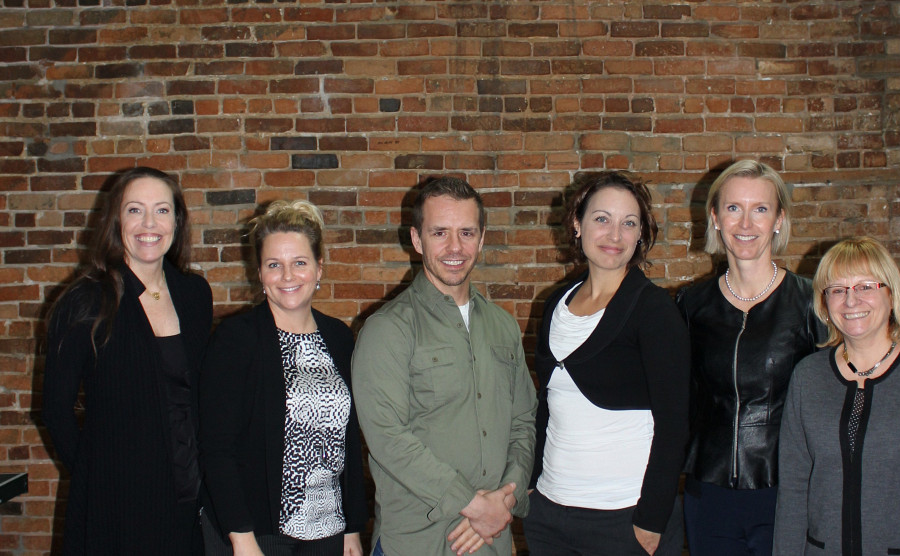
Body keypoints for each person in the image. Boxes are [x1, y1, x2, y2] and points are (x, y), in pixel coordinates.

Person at [352, 177, 537, 556]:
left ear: (482, 238)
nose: (455, 247)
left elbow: (523, 421)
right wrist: (472, 505)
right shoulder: (388, 329)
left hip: (492, 540)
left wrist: (505, 501)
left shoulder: (502, 326)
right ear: (417, 239)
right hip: (420, 541)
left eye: (466, 232)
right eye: (440, 232)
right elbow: (388, 437)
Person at [42, 167, 213, 554]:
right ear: (116, 220)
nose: (149, 224)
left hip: (188, 501)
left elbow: (194, 396)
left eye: (162, 211)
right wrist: (97, 475)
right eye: (135, 210)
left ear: (177, 220)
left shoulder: (194, 294)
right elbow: (55, 411)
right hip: (116, 507)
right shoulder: (86, 301)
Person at [773, 237, 900, 555]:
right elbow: (794, 489)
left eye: (866, 286)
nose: (851, 301)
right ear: (825, 304)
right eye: (837, 290)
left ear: (891, 295)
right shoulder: (807, 378)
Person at [523, 171, 690, 556]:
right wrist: (532, 482)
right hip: (550, 514)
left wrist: (652, 518)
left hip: (623, 519)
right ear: (578, 225)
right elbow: (547, 405)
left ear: (640, 235)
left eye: (628, 223)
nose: (615, 235)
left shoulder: (653, 310)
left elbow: (674, 422)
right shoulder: (555, 305)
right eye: (602, 219)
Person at [199, 200, 366, 556]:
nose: (288, 277)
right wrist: (241, 537)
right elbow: (216, 449)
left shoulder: (338, 337)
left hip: (329, 527)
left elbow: (349, 439)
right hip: (260, 532)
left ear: (319, 269)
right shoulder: (235, 339)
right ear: (259, 273)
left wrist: (353, 526)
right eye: (274, 265)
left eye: (300, 263)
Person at [676, 160, 826, 555]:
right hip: (708, 494)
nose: (746, 223)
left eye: (760, 209)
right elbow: (673, 400)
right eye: (733, 208)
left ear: (778, 220)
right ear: (715, 218)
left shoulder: (812, 302)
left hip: (788, 493)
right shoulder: (690, 305)